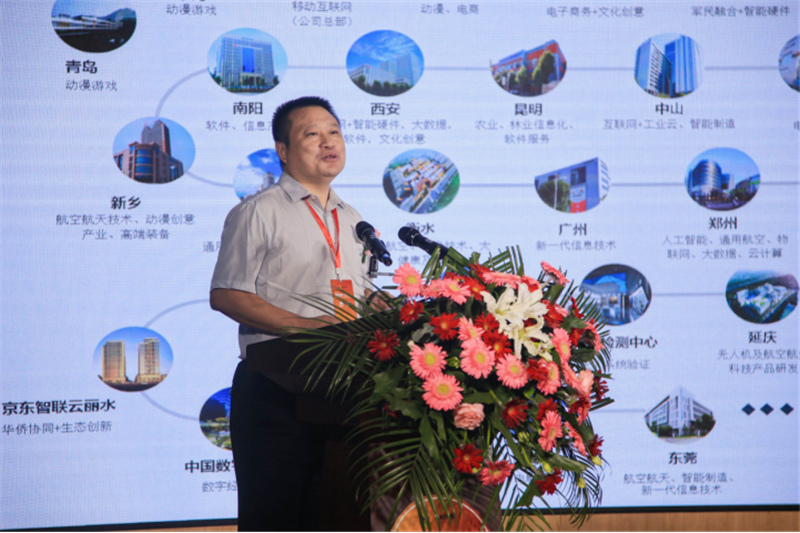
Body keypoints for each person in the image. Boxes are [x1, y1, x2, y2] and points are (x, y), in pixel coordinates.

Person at [209, 96, 373, 531]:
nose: (328, 142)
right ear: (282, 150)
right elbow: (227, 294)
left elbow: (359, 295)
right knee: (276, 519)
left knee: (334, 515)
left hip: (341, 392)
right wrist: (308, 327)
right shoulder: (258, 211)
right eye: (312, 134)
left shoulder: (352, 219)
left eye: (334, 132)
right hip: (276, 391)